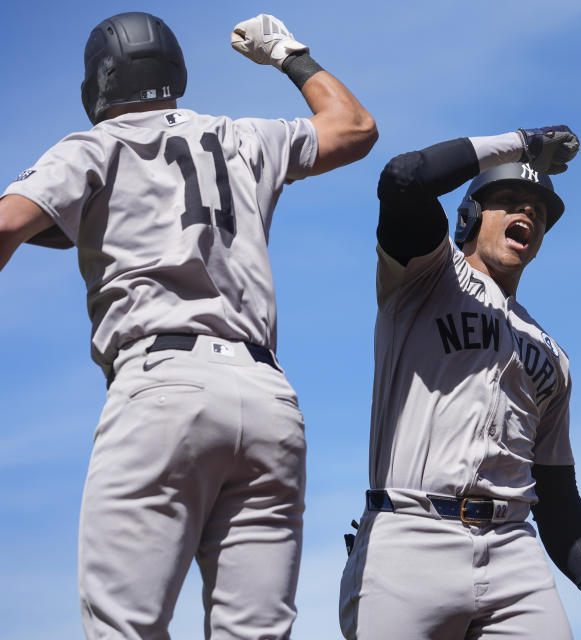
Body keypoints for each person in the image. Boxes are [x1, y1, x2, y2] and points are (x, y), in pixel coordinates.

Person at [0, 12, 376, 639]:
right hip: (268, 402)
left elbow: (7, 226)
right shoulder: (241, 136)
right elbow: (355, 128)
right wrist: (289, 54)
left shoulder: (94, 145)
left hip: (162, 388)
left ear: (99, 81)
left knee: (125, 627)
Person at [339, 127, 581, 639]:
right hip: (411, 532)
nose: (526, 213)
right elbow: (403, 178)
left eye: (538, 211)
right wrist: (519, 145)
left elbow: (556, 493)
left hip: (512, 548)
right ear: (468, 217)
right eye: (507, 201)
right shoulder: (425, 276)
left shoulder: (552, 354)